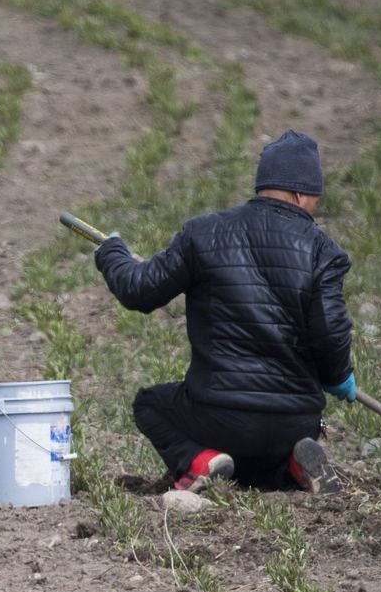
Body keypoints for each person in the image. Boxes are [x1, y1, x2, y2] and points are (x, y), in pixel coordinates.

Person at [93, 129, 353, 494]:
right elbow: (330, 334)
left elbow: (139, 290)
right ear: (300, 194)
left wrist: (112, 254)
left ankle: (199, 461)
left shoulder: (203, 234)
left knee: (149, 405)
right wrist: (340, 375)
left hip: (216, 417)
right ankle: (295, 461)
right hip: (295, 420)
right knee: (262, 470)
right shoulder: (324, 251)